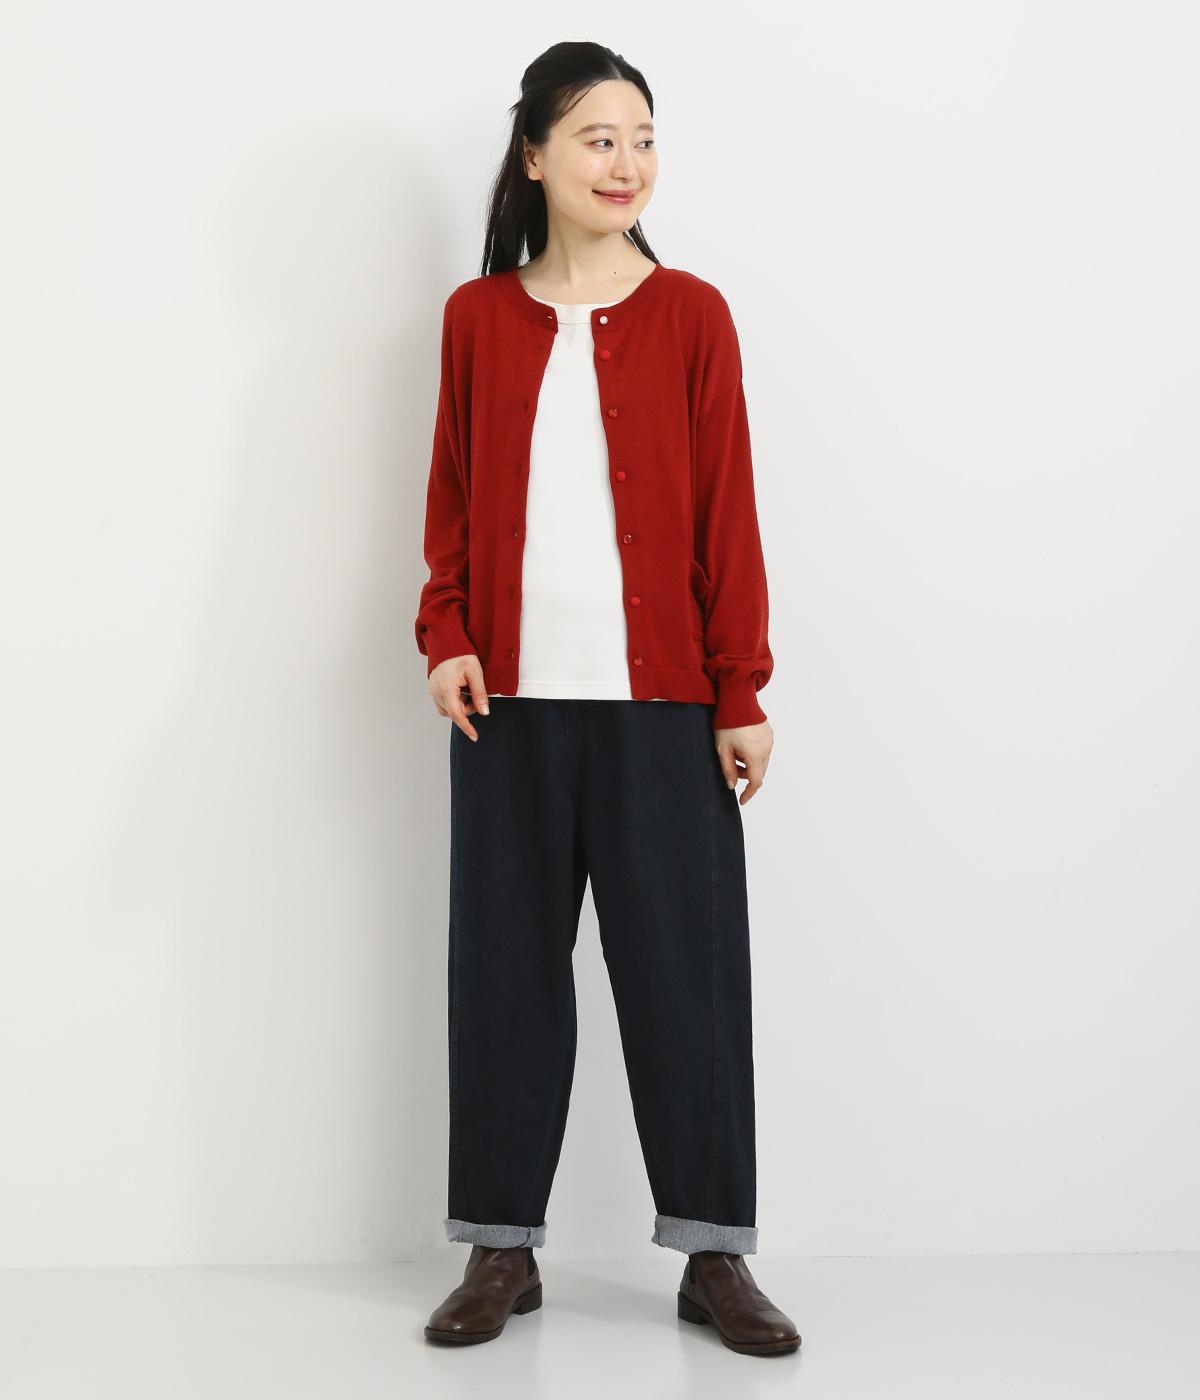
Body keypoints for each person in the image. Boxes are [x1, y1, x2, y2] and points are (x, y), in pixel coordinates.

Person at [414, 41, 800, 1357]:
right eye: (596, 138)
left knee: (687, 978)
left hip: (667, 708)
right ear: (534, 156)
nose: (625, 162)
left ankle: (714, 1254)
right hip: (507, 707)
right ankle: (499, 1249)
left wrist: (740, 688)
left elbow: (729, 511)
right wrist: (445, 631)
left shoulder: (692, 314)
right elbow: (452, 494)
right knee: (504, 976)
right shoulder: (477, 319)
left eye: (642, 138)